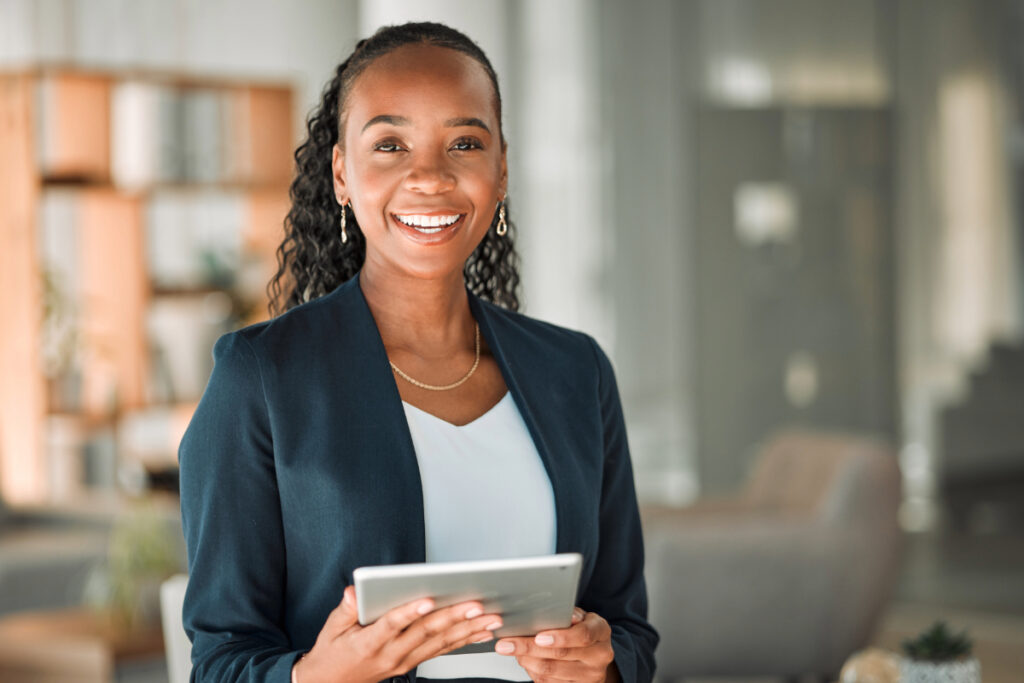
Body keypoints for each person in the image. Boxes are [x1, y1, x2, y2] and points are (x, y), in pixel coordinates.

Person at [179, 21, 657, 683]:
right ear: (342, 173)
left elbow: (627, 626)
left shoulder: (576, 373)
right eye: (390, 143)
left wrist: (602, 664)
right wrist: (318, 674)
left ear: (501, 169)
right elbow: (219, 662)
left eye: (464, 142)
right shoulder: (260, 379)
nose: (429, 176)